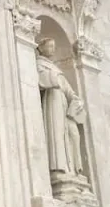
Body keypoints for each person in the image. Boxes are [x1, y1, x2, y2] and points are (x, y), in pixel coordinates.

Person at [36, 37, 86, 176]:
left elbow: (68, 89)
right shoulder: (39, 64)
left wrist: (76, 100)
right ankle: (59, 167)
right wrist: (55, 79)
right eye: (50, 46)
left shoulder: (55, 68)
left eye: (53, 46)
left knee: (73, 134)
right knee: (56, 131)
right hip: (53, 100)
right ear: (41, 48)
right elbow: (43, 81)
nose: (53, 49)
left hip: (64, 104)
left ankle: (74, 169)